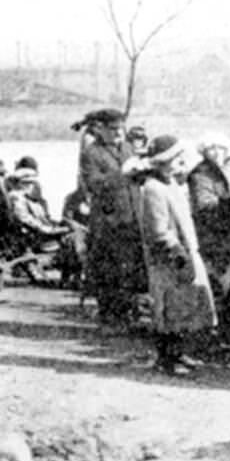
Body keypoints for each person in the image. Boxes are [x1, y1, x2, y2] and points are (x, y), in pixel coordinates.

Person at [137, 135, 217, 375]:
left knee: (183, 306)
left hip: (185, 253)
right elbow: (158, 230)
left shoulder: (171, 183)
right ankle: (166, 359)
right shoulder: (153, 189)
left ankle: (179, 353)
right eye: (175, 158)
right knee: (168, 308)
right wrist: (177, 252)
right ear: (163, 161)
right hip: (169, 258)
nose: (180, 161)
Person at [79, 108, 148, 327]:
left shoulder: (127, 148)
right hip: (109, 222)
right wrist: (123, 174)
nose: (118, 133)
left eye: (121, 128)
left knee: (131, 269)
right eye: (113, 129)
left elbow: (137, 179)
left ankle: (129, 313)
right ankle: (110, 318)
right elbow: (94, 184)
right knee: (110, 271)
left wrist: (144, 171)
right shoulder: (91, 153)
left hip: (133, 219)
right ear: (100, 129)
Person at [188, 135, 230, 290]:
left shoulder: (224, 171)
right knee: (216, 279)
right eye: (212, 149)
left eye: (220, 148)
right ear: (204, 152)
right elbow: (203, 203)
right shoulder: (200, 174)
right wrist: (228, 199)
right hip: (212, 235)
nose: (217, 153)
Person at [9, 168, 67, 239]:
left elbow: (43, 219)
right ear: (19, 184)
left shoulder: (31, 199)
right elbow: (25, 219)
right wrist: (49, 230)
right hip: (27, 237)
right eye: (27, 183)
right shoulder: (16, 197)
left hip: (39, 233)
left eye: (32, 183)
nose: (31, 186)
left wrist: (57, 225)